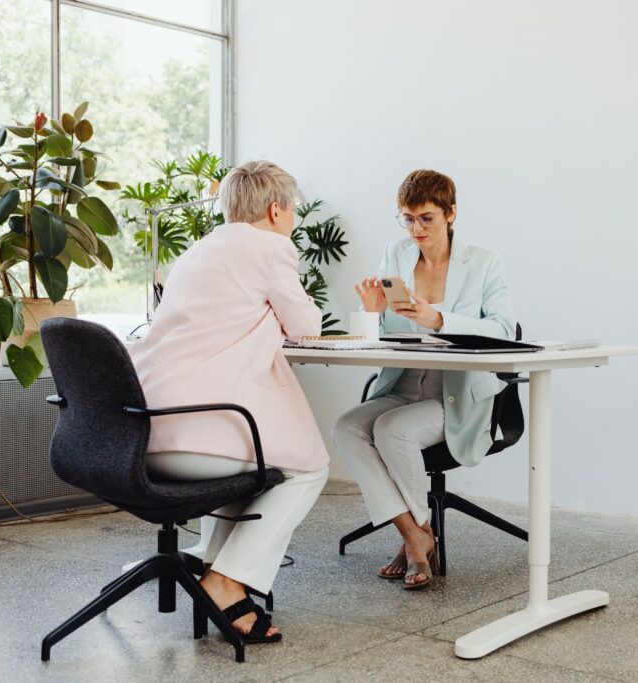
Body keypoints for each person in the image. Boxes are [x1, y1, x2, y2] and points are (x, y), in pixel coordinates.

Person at [129, 160, 329, 643]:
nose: (295, 217)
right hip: (200, 435)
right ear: (277, 209)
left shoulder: (198, 251)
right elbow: (306, 326)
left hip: (143, 431)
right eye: (294, 209)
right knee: (310, 467)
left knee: (257, 464)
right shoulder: (271, 248)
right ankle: (225, 582)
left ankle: (216, 566)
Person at [332, 169, 516, 589]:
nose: (416, 228)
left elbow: (505, 329)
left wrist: (439, 319)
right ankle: (417, 534)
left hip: (458, 395)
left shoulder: (483, 262)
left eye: (426, 218)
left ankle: (413, 541)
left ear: (450, 214)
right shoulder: (395, 254)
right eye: (408, 218)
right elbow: (383, 336)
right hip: (403, 386)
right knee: (346, 426)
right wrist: (372, 313)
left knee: (392, 429)